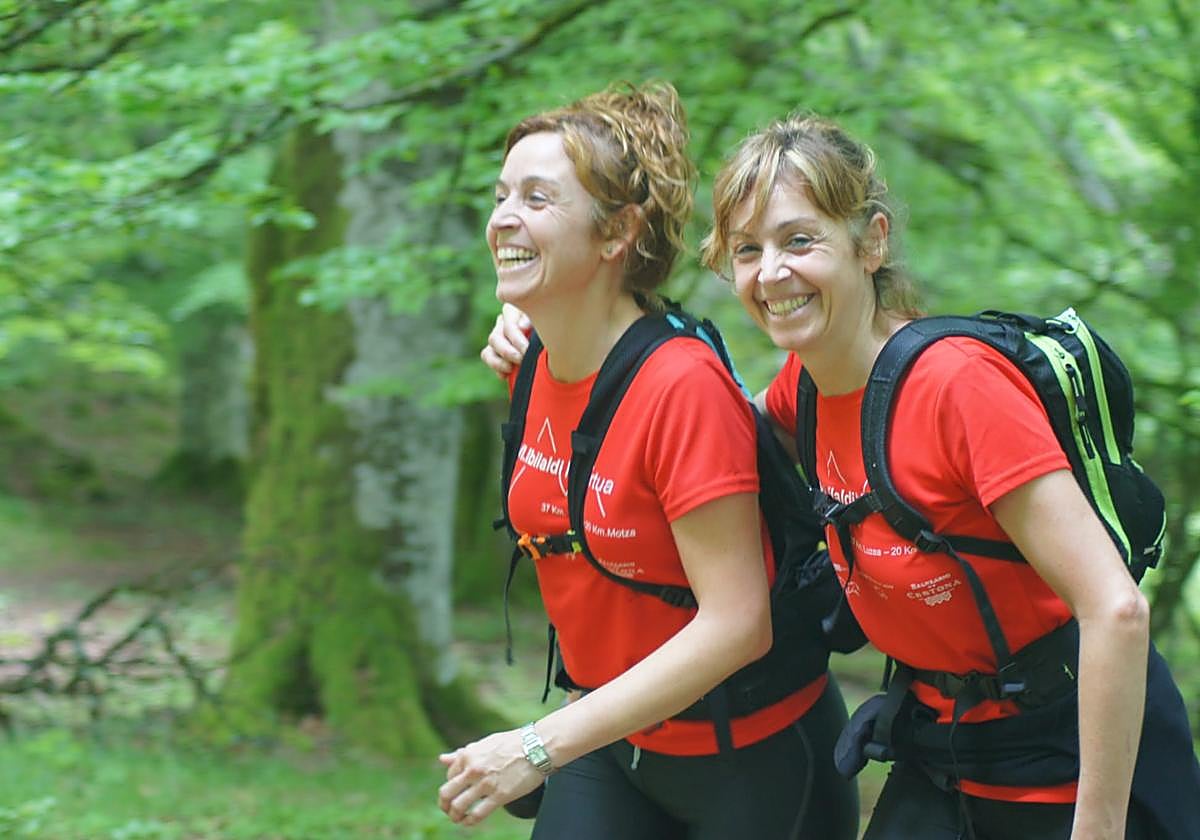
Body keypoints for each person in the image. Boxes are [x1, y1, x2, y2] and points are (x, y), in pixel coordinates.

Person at [486, 112, 1200, 839]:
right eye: (747, 250)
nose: (771, 273)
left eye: (800, 240)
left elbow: (1116, 610)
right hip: (948, 748)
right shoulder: (805, 391)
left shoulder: (958, 389)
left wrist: (1100, 828)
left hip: (1075, 757)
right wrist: (552, 341)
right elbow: (693, 429)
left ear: (873, 241)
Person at [439, 85, 858, 839]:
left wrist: (535, 747)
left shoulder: (681, 389)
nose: (503, 217)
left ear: (617, 233)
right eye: (501, 195)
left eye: (538, 199)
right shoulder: (533, 364)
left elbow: (739, 625)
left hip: (754, 761)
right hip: (614, 745)